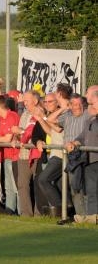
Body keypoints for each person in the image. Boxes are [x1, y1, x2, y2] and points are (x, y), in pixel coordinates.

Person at [66, 85, 98, 224]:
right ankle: (92, 217)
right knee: (91, 190)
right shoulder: (90, 120)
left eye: (93, 103)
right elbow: (82, 137)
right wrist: (74, 143)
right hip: (90, 160)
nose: (90, 105)